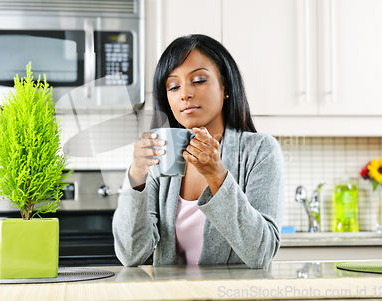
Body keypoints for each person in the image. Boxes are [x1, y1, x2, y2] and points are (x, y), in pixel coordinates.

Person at [112, 34, 284, 269]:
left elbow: (261, 253)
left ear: (225, 86)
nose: (184, 94)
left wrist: (216, 176)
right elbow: (131, 255)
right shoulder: (162, 156)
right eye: (173, 86)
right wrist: (136, 178)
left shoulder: (260, 151)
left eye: (199, 80)